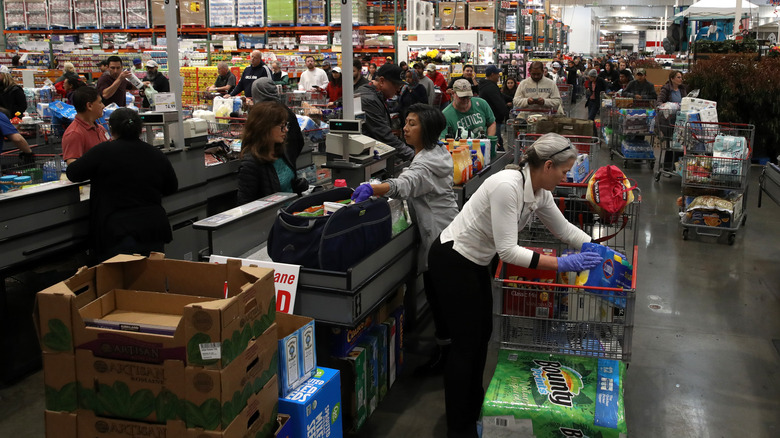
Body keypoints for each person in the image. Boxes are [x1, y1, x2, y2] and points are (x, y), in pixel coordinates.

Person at [427, 133, 606, 438]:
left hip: (477, 264)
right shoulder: (507, 186)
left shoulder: (538, 192)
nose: (565, 178)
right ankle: (458, 427)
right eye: (564, 172)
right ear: (547, 166)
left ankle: (473, 408)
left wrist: (598, 249)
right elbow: (509, 250)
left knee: (481, 336)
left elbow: (563, 229)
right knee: (465, 345)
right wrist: (562, 264)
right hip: (453, 260)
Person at [350, 103, 458, 374]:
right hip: (450, 232)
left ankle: (447, 359)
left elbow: (405, 184)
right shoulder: (436, 152)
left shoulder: (425, 163)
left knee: (441, 301)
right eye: (406, 122)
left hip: (440, 241)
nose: (405, 128)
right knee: (443, 299)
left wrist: (373, 188)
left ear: (428, 129)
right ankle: (448, 352)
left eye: (412, 124)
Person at [66, 108, 178, 261]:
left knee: (120, 282)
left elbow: (73, 173)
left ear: (111, 129)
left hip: (118, 232)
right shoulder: (156, 153)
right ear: (140, 129)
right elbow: (171, 187)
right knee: (152, 280)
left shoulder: (103, 152)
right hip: (153, 228)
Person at [236, 101, 309, 204]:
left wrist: (297, 186)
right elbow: (246, 206)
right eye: (282, 126)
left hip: (292, 213)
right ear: (265, 128)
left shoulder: (280, 151)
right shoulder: (251, 164)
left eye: (286, 125)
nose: (286, 130)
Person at [356, 63, 415, 161]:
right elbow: (384, 135)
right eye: (396, 85)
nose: (398, 90)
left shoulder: (376, 96)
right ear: (382, 81)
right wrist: (413, 156)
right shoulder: (368, 100)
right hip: (364, 158)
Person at [250, 77, 305, 166]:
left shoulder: (263, 114)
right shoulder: (285, 110)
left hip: (271, 165)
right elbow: (299, 141)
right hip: (288, 164)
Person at [62, 87, 109, 164]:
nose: (103, 106)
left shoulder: (100, 128)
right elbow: (73, 165)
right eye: (100, 102)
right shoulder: (74, 133)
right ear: (89, 106)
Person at [477, 65, 509, 143]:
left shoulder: (488, 85)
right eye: (497, 73)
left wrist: (512, 98)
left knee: (497, 140)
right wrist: (506, 113)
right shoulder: (490, 87)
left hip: (491, 119)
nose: (498, 75)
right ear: (492, 74)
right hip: (493, 120)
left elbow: (500, 96)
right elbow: (498, 103)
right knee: (496, 141)